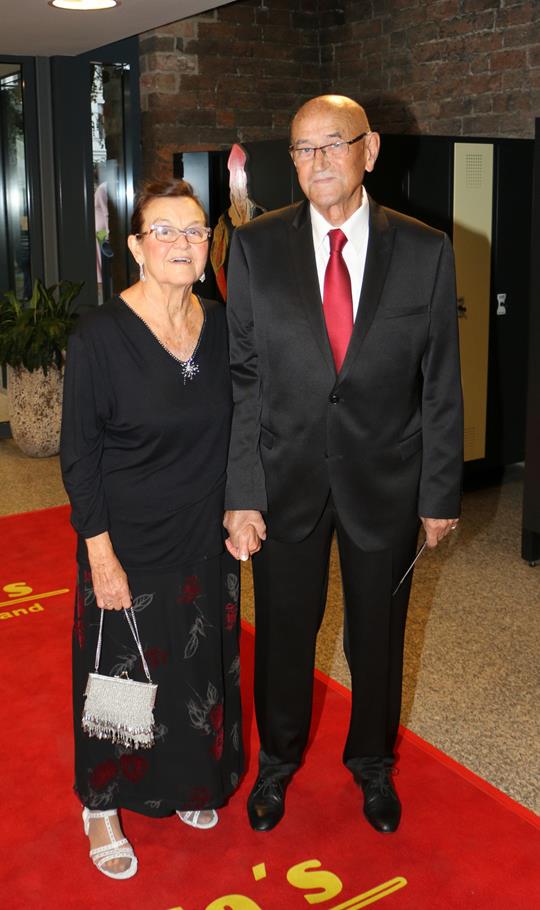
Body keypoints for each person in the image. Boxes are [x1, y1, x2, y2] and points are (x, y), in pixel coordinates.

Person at [223, 95, 463, 835]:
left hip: (386, 479)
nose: (318, 160)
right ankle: (277, 764)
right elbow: (244, 378)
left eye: (334, 143)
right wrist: (242, 491)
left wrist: (440, 493)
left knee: (379, 635)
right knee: (285, 633)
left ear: (371, 149)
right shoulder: (255, 247)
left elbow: (440, 381)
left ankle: (372, 764)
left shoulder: (425, 249)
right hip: (284, 476)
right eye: (303, 148)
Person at [61, 179, 243, 880]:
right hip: (127, 543)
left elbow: (243, 426)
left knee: (194, 671)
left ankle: (190, 779)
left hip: (203, 540)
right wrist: (99, 555)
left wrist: (245, 506)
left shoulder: (220, 324)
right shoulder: (100, 337)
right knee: (120, 678)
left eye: (194, 230)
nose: (181, 243)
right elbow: (79, 457)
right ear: (136, 247)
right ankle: (102, 805)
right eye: (163, 231)